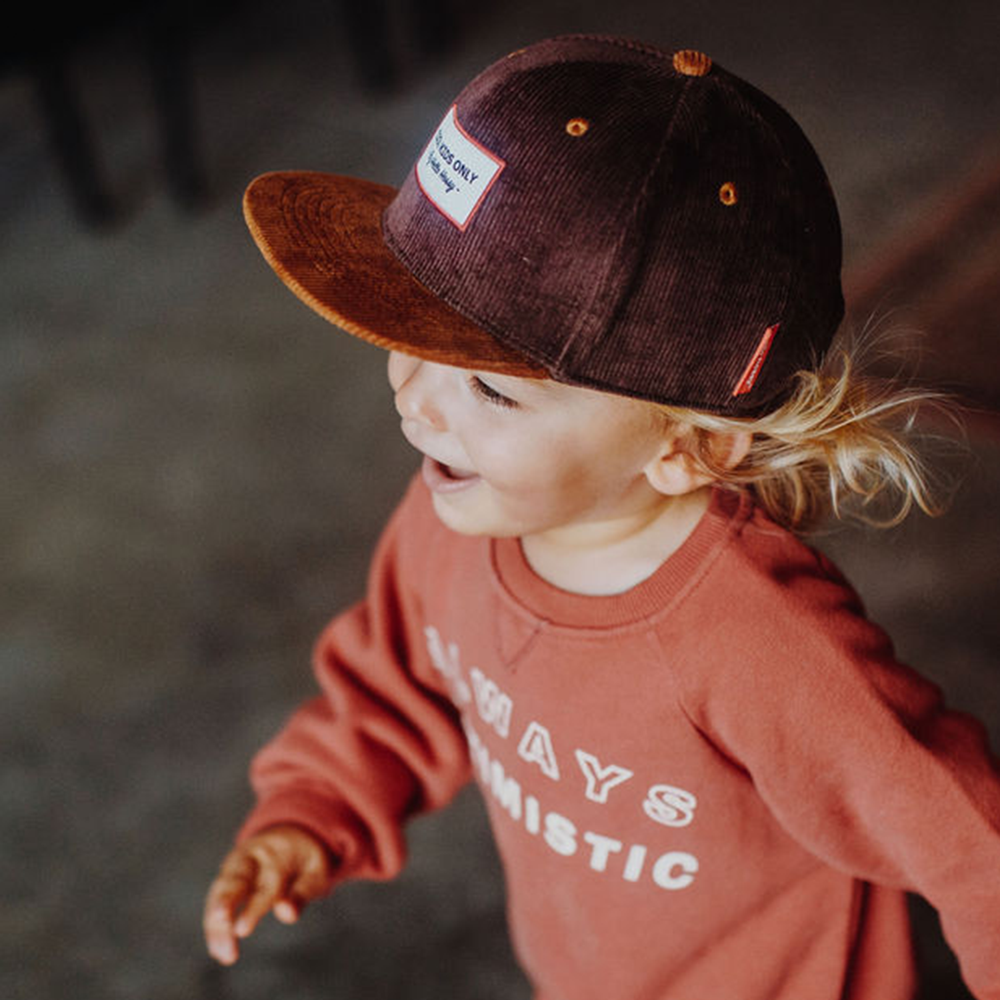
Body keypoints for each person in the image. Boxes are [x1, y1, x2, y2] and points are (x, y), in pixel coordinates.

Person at [202, 35, 1000, 999]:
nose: (416, 401)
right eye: (407, 331)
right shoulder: (449, 515)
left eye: (493, 394)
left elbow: (972, 846)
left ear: (689, 448)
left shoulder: (762, 643)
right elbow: (391, 689)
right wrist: (308, 810)